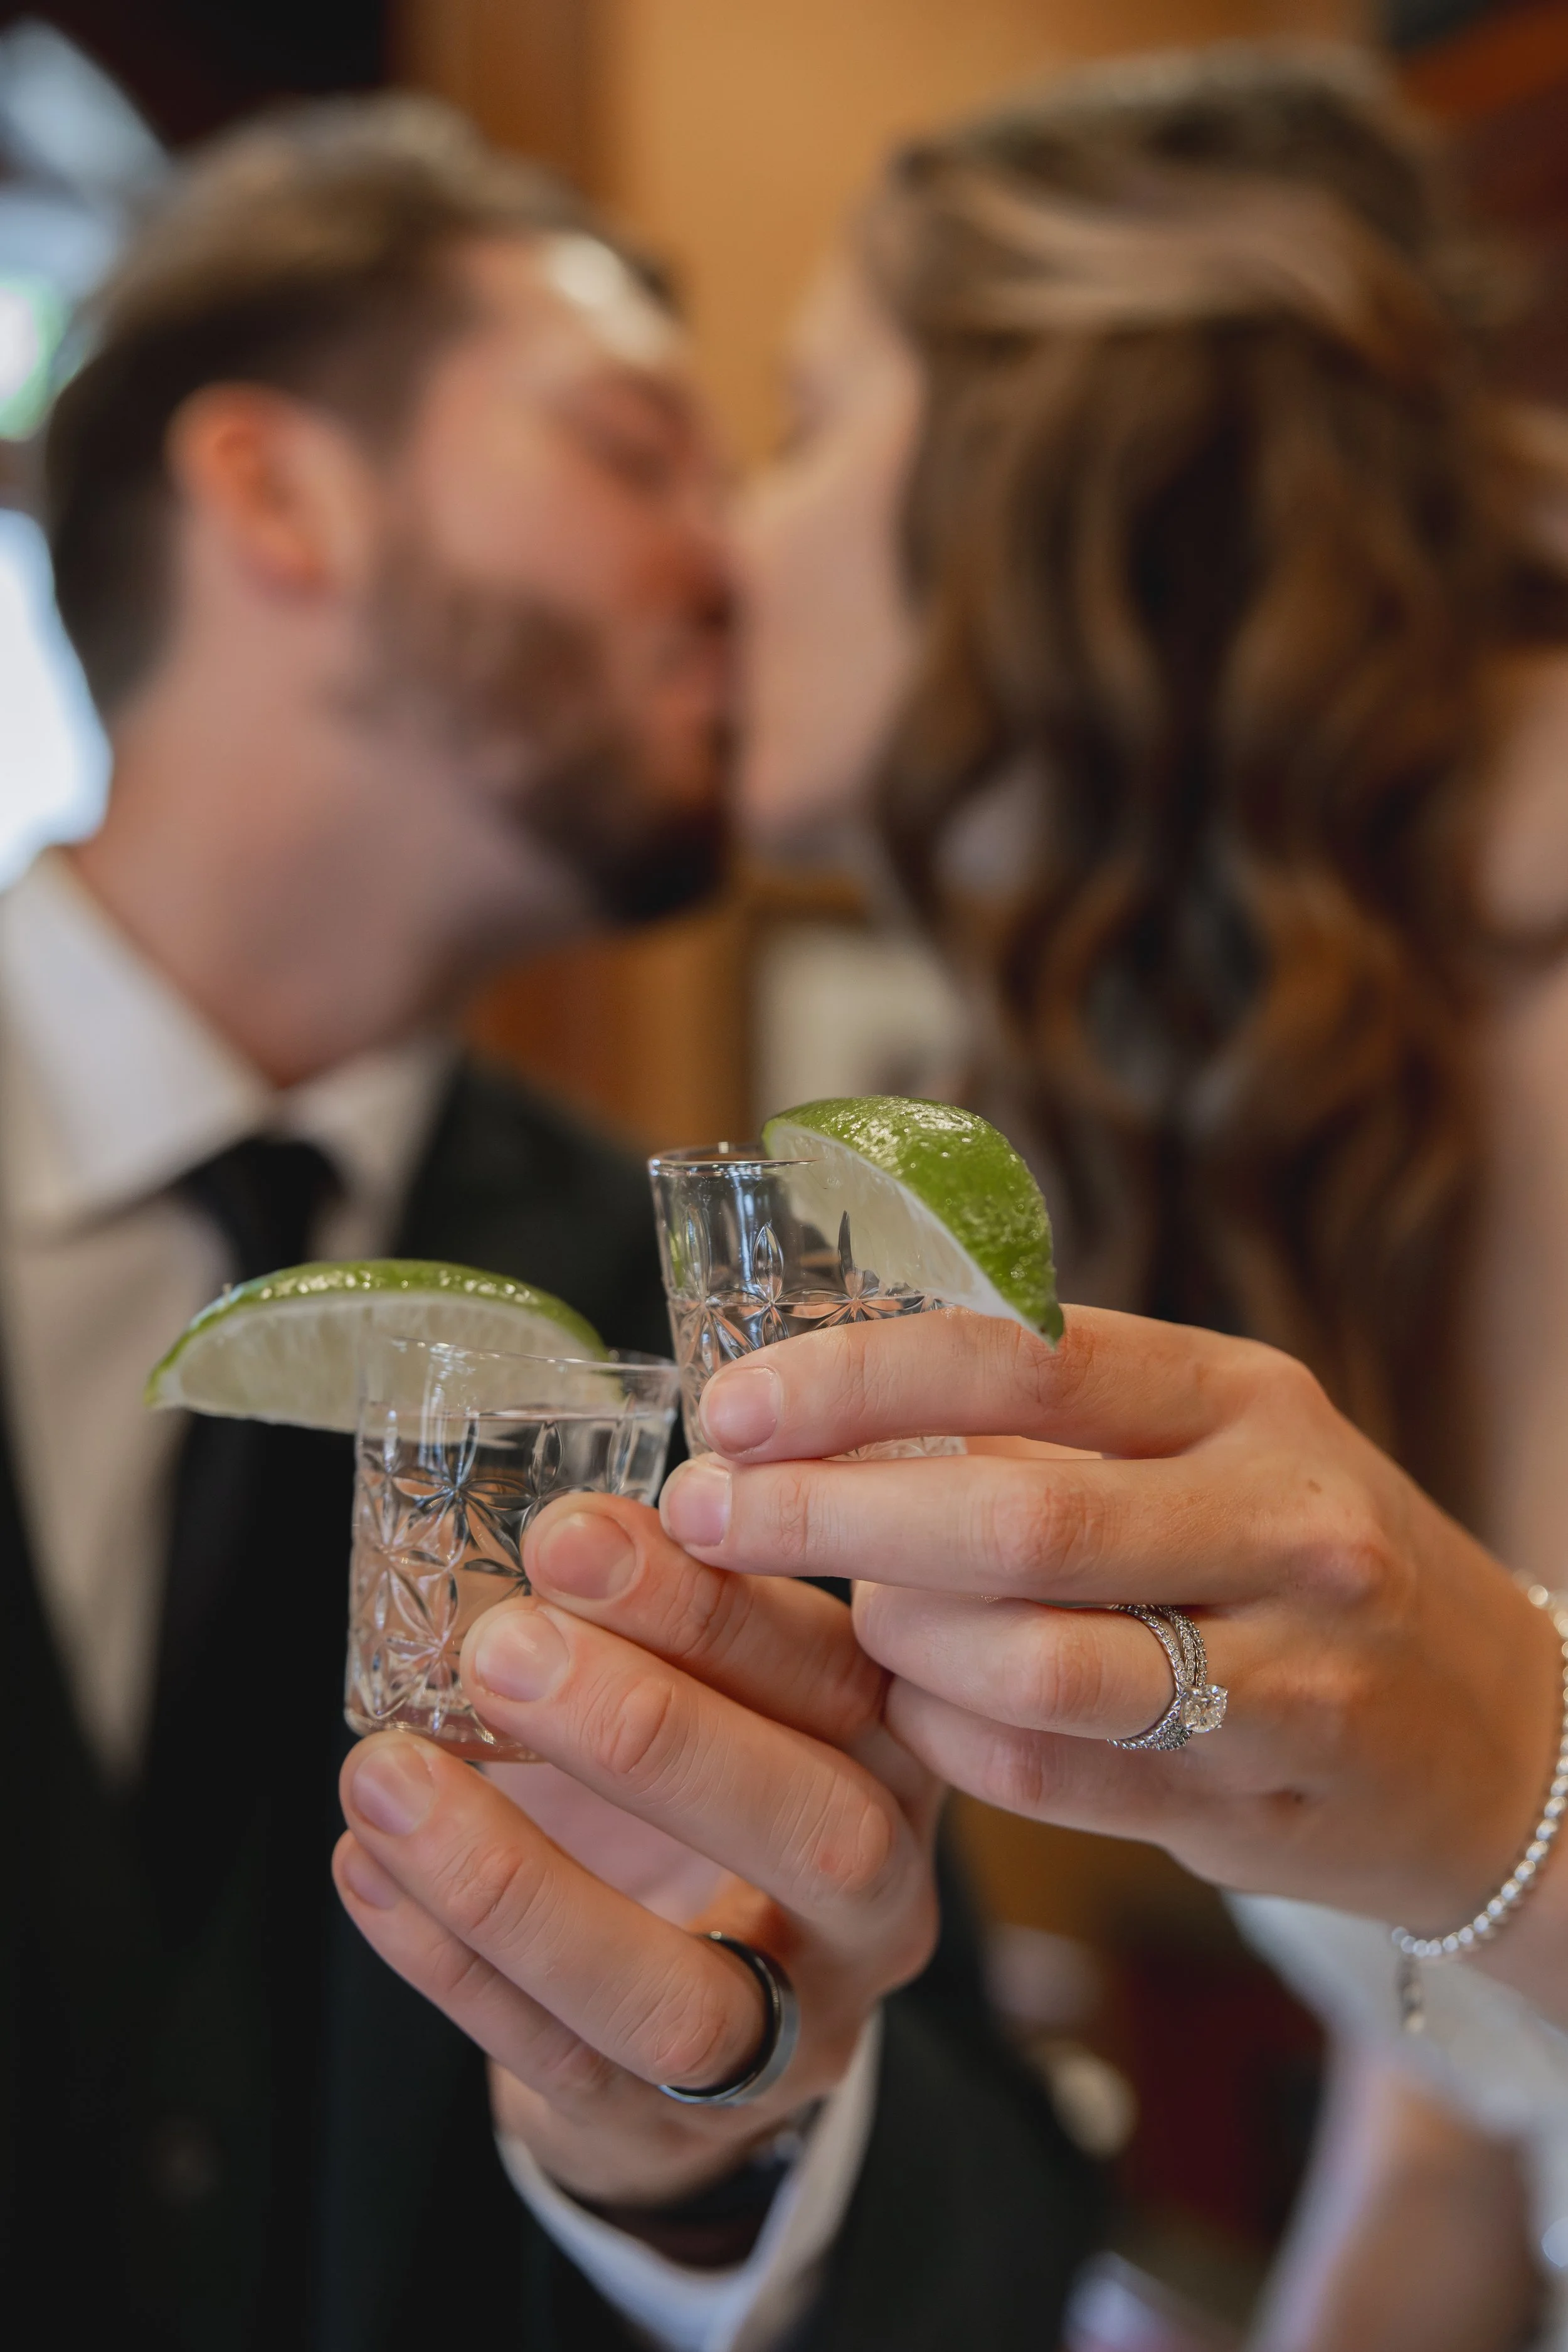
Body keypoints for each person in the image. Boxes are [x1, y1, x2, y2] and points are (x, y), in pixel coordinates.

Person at [0, 97, 1097, 2349]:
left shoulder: (731, 1320)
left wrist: (710, 2157)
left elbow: (979, 2247)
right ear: (278, 494)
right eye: (633, 448)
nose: (729, 558)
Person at [616, 38, 1568, 2348]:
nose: (733, 541)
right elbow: (1452, 2100)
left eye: (810, 416)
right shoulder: (1293, 1087)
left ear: (1056, 456)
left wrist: (1506, 1776)